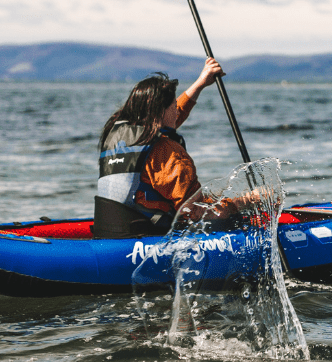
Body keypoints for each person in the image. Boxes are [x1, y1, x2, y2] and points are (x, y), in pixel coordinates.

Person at [93, 58, 230, 239]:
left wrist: (200, 83)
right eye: (173, 105)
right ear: (162, 111)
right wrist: (245, 202)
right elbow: (196, 212)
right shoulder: (168, 153)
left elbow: (171, 117)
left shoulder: (116, 131)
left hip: (109, 230)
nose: (176, 109)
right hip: (148, 235)